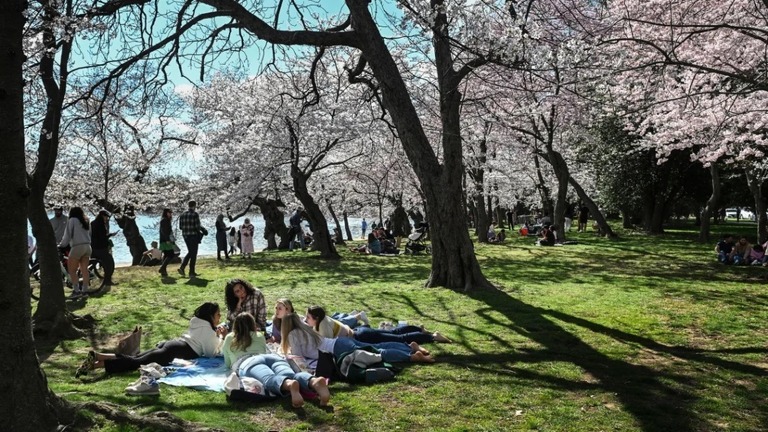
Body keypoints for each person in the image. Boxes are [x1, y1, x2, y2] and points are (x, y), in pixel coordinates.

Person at [76, 302, 226, 377]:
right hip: (174, 352)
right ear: (210, 316)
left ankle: (96, 360)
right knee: (135, 363)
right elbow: (211, 353)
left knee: (134, 358)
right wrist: (221, 337)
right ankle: (96, 362)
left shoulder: (198, 323)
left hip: (172, 345)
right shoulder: (208, 331)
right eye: (218, 315)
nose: (220, 318)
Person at [223, 313, 330, 408]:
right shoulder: (259, 335)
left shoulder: (229, 338)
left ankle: (289, 385)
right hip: (272, 357)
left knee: (269, 379)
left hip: (249, 363)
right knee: (291, 375)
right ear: (252, 324)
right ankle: (313, 381)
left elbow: (228, 363)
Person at [281, 313, 435, 366]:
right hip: (339, 342)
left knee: (378, 353)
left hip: (338, 349)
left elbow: (299, 355)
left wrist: (286, 353)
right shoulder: (306, 328)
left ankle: (412, 357)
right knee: (377, 346)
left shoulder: (293, 334)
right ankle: (409, 347)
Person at [305, 306, 451, 345]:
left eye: (308, 317)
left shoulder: (323, 325)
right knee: (395, 333)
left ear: (316, 318)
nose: (306, 320)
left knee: (399, 338)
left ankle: (432, 336)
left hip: (362, 336)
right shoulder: (323, 320)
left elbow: (329, 344)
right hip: (360, 331)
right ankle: (419, 329)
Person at [59, 207, 92, 298]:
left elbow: (67, 235)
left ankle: (76, 291)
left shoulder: (72, 220)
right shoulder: (87, 220)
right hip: (87, 246)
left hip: (77, 246)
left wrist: (61, 245)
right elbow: (90, 234)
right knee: (84, 270)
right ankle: (85, 291)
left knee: (72, 270)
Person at [178, 200, 208, 278]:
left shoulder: (182, 215)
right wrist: (204, 230)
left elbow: (180, 227)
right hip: (193, 236)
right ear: (194, 206)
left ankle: (183, 268)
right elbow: (197, 226)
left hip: (185, 236)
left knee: (191, 252)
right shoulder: (195, 214)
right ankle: (190, 271)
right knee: (193, 253)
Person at [90, 209, 117, 286]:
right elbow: (102, 237)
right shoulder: (101, 225)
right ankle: (107, 280)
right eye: (106, 217)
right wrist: (110, 235)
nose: (107, 219)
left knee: (93, 263)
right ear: (102, 216)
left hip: (93, 248)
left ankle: (87, 277)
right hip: (101, 248)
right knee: (110, 264)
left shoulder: (92, 223)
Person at [158, 208, 178, 277]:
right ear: (166, 213)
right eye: (169, 212)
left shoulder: (165, 220)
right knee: (171, 254)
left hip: (164, 240)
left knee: (166, 255)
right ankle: (162, 268)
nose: (170, 214)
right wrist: (167, 240)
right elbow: (164, 231)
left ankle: (164, 271)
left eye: (171, 212)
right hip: (166, 240)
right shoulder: (164, 220)